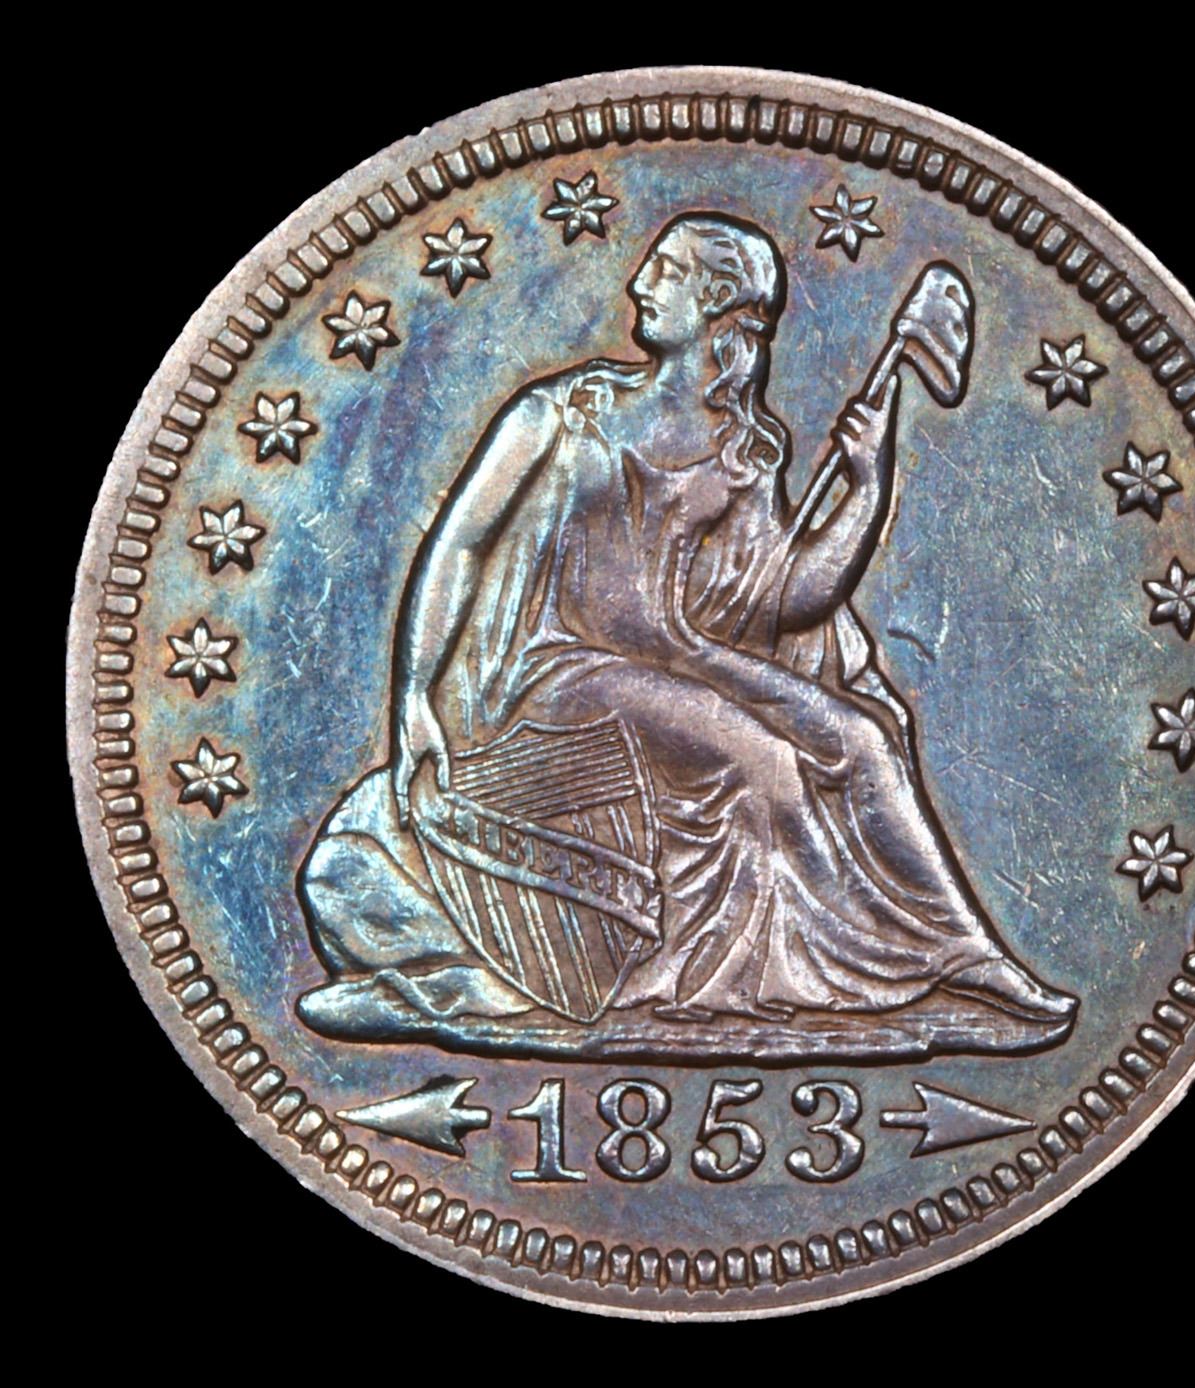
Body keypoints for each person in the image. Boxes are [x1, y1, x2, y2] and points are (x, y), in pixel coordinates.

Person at [297, 211, 1076, 1038]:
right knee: (762, 759)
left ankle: (963, 956)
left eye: (666, 272)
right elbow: (459, 546)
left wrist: (867, 483)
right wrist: (415, 696)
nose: (639, 285)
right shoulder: (559, 415)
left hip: (682, 655)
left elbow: (792, 599)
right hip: (557, 673)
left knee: (862, 740)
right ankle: (790, 976)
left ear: (716, 306)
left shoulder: (744, 452)